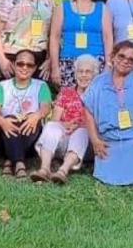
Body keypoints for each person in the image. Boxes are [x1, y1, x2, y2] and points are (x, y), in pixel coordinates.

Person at [82, 41, 133, 185]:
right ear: (113, 57)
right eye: (121, 56)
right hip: (110, 137)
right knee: (107, 160)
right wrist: (95, 140)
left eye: (131, 59)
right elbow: (88, 111)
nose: (125, 61)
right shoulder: (99, 82)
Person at [33, 54, 99, 184]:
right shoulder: (66, 92)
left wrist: (80, 125)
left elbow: (100, 124)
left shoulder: (99, 95)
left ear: (95, 75)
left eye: (88, 72)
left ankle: (63, 171)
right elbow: (55, 120)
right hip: (62, 142)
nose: (83, 75)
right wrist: (65, 124)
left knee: (82, 131)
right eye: (80, 71)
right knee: (52, 126)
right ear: (75, 74)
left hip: (85, 146)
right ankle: (44, 169)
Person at [0, 49, 53, 179]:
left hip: (30, 137)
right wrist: (2, 121)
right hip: (3, 137)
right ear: (13, 64)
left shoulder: (41, 85)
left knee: (31, 120)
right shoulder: (1, 86)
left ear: (35, 68)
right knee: (10, 118)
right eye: (20, 64)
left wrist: (36, 116)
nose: (24, 67)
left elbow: (45, 108)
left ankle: (10, 160)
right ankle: (19, 163)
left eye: (29, 65)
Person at [49, 0, 105, 89]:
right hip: (69, 61)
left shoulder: (103, 8)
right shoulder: (62, 7)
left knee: (95, 103)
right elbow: (54, 38)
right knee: (69, 102)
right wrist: (55, 67)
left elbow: (108, 39)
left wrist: (108, 66)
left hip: (96, 62)